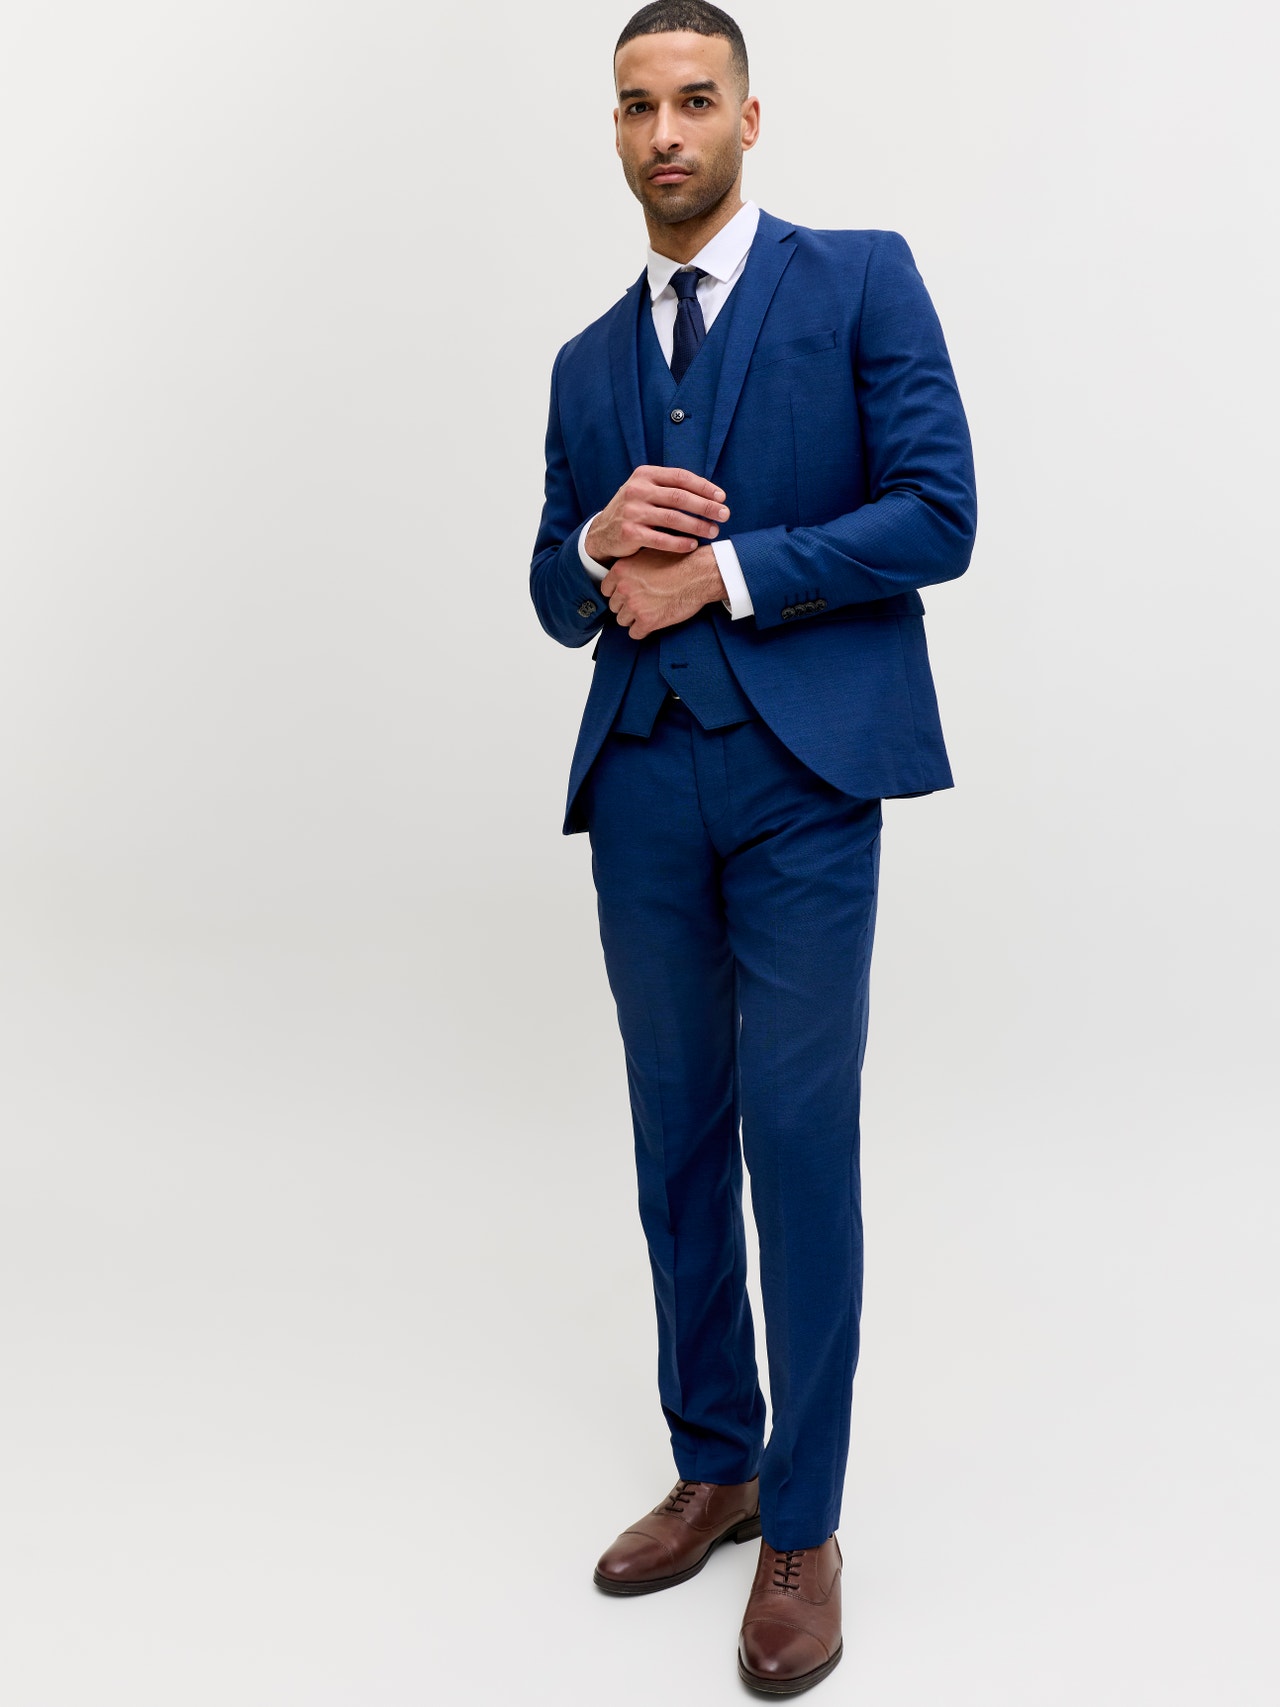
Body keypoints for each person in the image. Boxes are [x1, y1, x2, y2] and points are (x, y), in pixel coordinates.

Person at [529, 2, 976, 1693]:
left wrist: (719, 572)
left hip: (802, 778)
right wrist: (595, 542)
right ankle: (713, 1461)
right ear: (617, 127)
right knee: (676, 1136)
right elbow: (550, 588)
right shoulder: (586, 362)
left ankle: (805, 1522)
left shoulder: (858, 279)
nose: (666, 132)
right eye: (637, 106)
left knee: (795, 1142)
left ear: (749, 117)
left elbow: (939, 513)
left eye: (695, 100)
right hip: (645, 779)